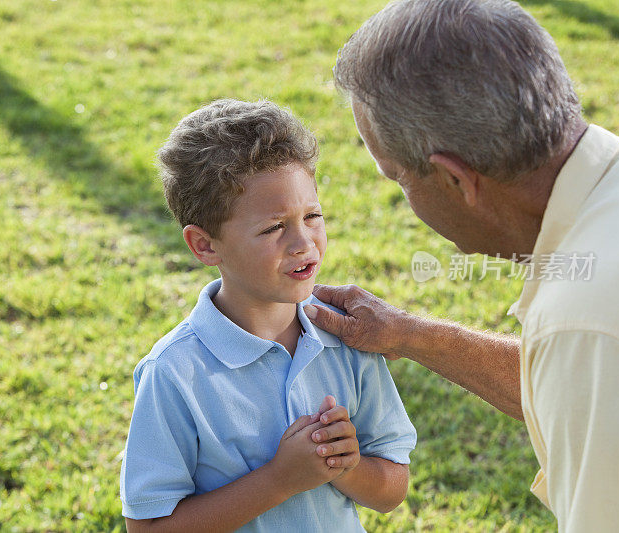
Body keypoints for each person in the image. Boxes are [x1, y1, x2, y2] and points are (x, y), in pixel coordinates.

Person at [302, 0, 619, 531]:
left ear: (455, 180)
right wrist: (407, 334)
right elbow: (575, 386)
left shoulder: (588, 326)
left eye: (397, 177)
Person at [120, 99, 417, 532]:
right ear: (205, 245)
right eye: (273, 227)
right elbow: (146, 528)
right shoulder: (173, 373)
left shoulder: (348, 338)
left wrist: (345, 465)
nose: (303, 243)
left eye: (312, 216)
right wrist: (279, 480)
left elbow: (392, 489)